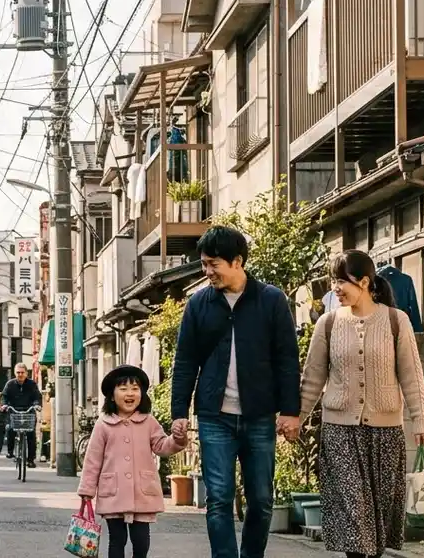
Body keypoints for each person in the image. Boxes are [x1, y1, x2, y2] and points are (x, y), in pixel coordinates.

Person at [169, 225, 301, 558]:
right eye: (204, 264)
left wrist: (290, 411)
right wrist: (179, 413)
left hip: (258, 415)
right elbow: (185, 361)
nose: (207, 271)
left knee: (261, 499)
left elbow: (287, 358)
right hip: (215, 416)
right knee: (218, 497)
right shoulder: (199, 304)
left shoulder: (270, 300)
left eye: (213, 264)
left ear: (237, 261)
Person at [296, 250, 424, 558]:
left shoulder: (397, 321)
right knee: (354, 521)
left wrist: (421, 421)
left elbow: (412, 377)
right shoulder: (328, 324)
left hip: (385, 434)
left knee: (376, 529)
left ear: (365, 282)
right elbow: (313, 378)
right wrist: (297, 418)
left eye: (341, 281)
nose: (335, 288)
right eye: (333, 281)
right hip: (340, 433)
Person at [79, 365, 188, 558]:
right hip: (114, 492)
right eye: (123, 389)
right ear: (112, 396)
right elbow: (92, 460)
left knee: (141, 542)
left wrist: (177, 439)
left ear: (142, 394)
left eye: (135, 388)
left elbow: (162, 446)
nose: (130, 393)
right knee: (117, 540)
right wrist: (87, 490)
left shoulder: (149, 422)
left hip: (142, 493)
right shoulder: (103, 424)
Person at [0, 362, 42, 466]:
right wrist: (4, 405)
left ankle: (30, 459)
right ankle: (10, 452)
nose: (20, 375)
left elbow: (37, 396)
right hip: (14, 411)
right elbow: (4, 396)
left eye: (22, 372)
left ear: (26, 373)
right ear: (15, 373)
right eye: (18, 372)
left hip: (28, 411)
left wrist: (37, 405)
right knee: (10, 429)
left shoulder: (32, 384)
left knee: (31, 434)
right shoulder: (10, 384)